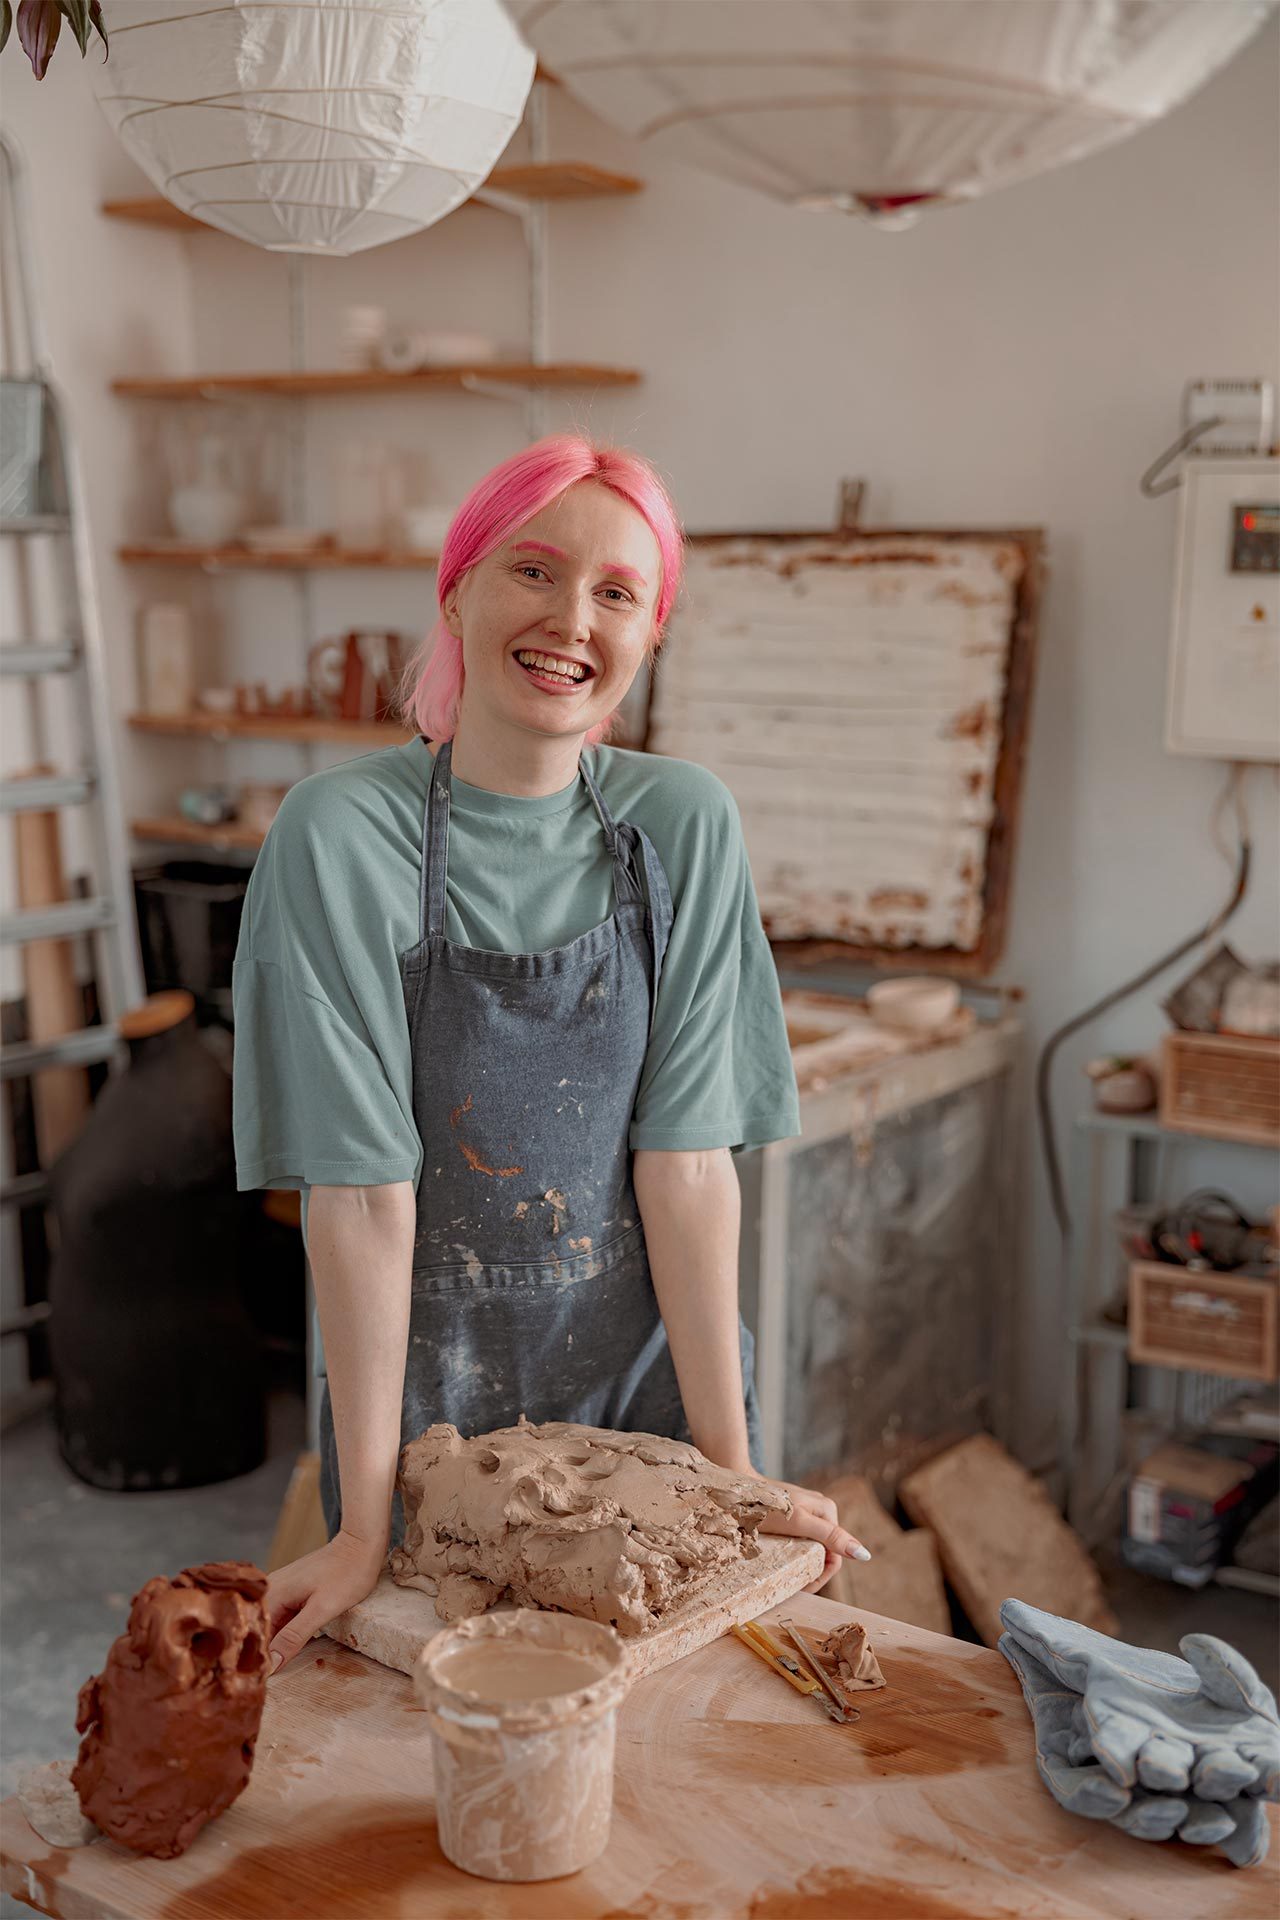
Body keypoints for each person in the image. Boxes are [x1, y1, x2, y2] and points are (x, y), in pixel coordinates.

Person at [232, 435, 869, 1673]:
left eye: (616, 593)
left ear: (647, 636)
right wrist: (364, 1527)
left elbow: (685, 1167)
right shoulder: (338, 836)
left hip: (651, 1405)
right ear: (458, 589)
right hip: (427, 1423)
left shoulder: (681, 823)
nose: (569, 618)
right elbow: (358, 1197)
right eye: (533, 571)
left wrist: (729, 1480)